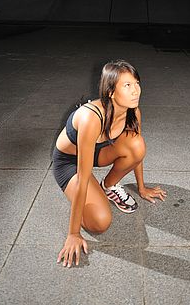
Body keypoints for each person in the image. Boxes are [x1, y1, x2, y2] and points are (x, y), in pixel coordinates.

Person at [52, 60, 166, 268]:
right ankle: (80, 195)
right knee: (100, 223)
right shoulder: (91, 118)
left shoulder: (134, 111)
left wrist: (141, 188)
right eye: (127, 85)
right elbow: (84, 175)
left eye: (137, 83)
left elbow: (137, 153)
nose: (136, 91)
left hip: (97, 152)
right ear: (111, 92)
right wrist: (73, 233)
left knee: (137, 144)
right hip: (69, 163)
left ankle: (109, 185)